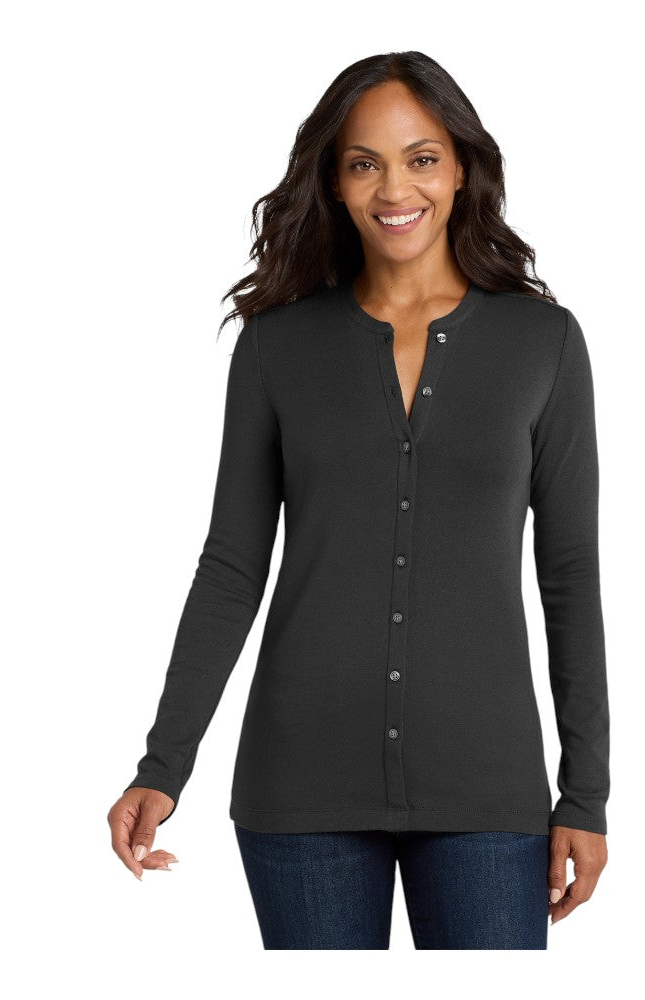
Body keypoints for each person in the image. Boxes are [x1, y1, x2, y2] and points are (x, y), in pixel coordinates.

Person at [108, 51, 610, 950]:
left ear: (462, 170)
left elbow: (568, 574)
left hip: (486, 786)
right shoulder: (276, 346)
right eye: (364, 163)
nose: (394, 188)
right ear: (334, 183)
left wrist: (586, 794)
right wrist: (163, 764)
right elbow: (231, 566)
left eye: (422, 158)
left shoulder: (543, 343)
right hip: (300, 783)